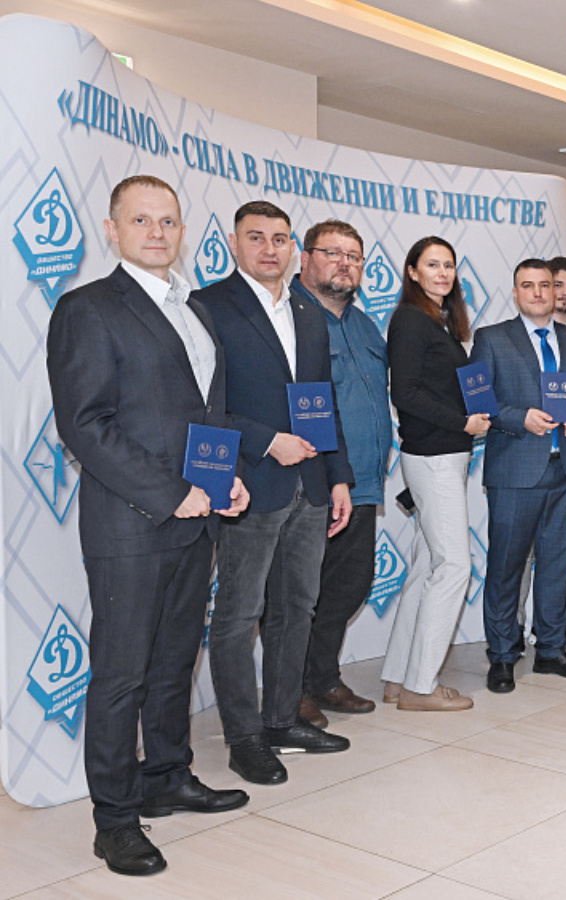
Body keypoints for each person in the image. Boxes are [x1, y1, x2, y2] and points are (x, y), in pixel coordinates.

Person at [47, 175, 249, 876]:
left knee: (173, 662)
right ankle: (114, 820)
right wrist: (172, 493)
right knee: (121, 675)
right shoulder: (87, 308)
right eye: (141, 220)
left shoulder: (194, 310)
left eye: (168, 221)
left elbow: (206, 413)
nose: (156, 232)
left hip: (196, 519)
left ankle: (167, 776)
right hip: (131, 524)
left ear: (182, 231)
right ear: (112, 230)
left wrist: (223, 480)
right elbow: (85, 425)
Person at [197, 201, 354, 785]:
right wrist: (267, 442)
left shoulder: (307, 312)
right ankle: (244, 738)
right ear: (233, 243)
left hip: (310, 485)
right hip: (247, 483)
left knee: (297, 608)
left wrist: (338, 475)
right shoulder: (208, 307)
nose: (269, 248)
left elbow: (322, 401)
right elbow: (203, 405)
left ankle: (283, 719)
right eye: (256, 237)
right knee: (239, 616)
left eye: (280, 238)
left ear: (294, 248)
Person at [474, 259, 566, 690]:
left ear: (557, 292)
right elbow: (479, 401)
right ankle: (502, 655)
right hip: (515, 472)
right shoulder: (491, 338)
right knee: (505, 568)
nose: (538, 292)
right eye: (528, 285)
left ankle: (551, 651)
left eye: (545, 285)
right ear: (515, 292)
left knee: (556, 565)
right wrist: (519, 418)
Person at [381, 236, 490, 711]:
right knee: (453, 568)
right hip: (434, 456)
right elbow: (404, 393)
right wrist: (462, 423)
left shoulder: (439, 321)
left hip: (443, 454)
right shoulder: (410, 320)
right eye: (432, 264)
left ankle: (398, 677)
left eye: (448, 265)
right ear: (412, 272)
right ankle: (420, 687)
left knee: (428, 566)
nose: (442, 273)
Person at [293, 220, 388, 728]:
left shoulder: (366, 326)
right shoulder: (288, 317)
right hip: (311, 483)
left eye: (353, 256)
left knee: (347, 587)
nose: (344, 264)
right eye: (332, 253)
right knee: (297, 594)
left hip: (364, 482)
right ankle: (289, 692)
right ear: (305, 258)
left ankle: (323, 678)